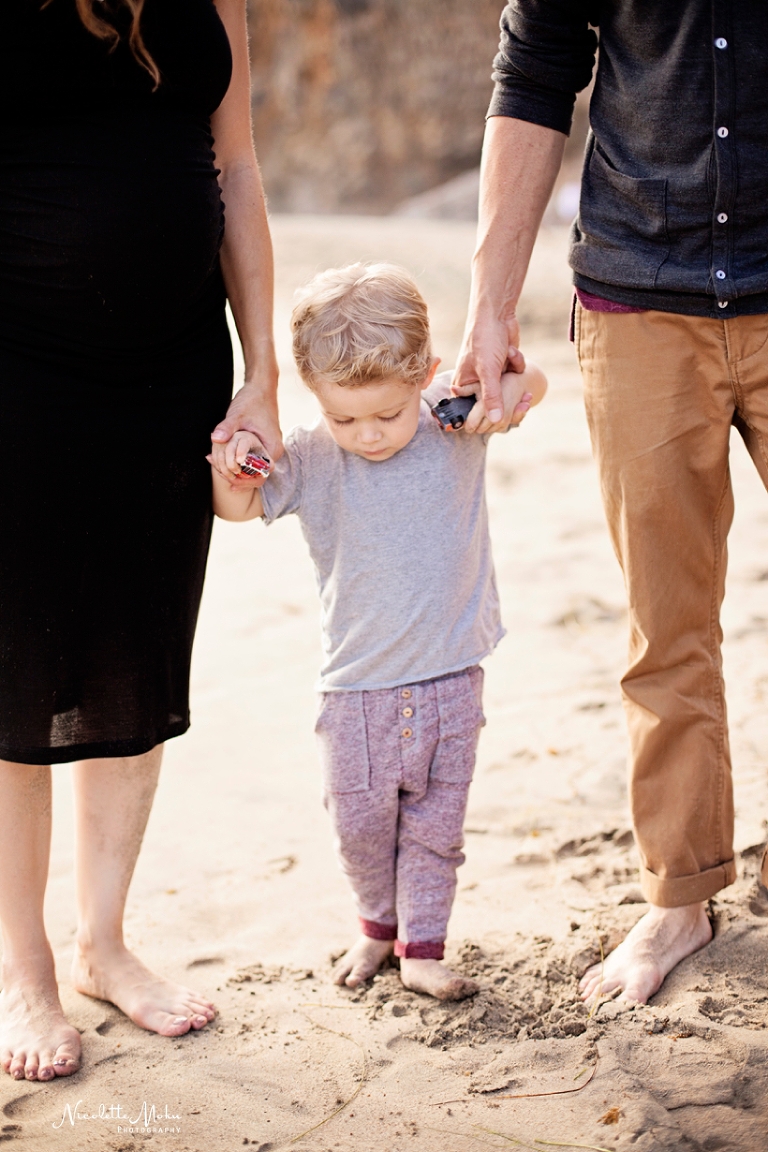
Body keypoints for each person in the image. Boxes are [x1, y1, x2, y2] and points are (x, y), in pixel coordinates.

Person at [456, 2, 768, 1005]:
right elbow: (538, 68)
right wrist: (489, 312)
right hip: (639, 298)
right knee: (667, 629)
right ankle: (680, 895)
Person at [0, 0, 280, 1082]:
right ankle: (22, 963)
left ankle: (101, 941)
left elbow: (238, 167)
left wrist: (260, 370)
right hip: (18, 365)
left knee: (135, 649)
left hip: (171, 370)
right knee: (17, 665)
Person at [209, 264, 547, 1000]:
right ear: (315, 398)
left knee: (435, 829)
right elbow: (237, 510)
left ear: (422, 375)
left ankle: (423, 947)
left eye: (386, 416)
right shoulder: (310, 455)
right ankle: (374, 930)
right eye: (345, 418)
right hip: (356, 688)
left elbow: (532, 389)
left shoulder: (451, 420)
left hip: (453, 674)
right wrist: (231, 467)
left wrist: (500, 390)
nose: (367, 435)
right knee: (360, 827)